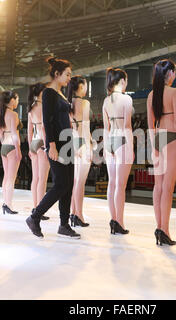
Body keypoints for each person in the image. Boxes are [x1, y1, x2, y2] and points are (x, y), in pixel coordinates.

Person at [26, 57, 80, 239]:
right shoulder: (48, 93)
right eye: (67, 74)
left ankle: (64, 225)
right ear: (57, 74)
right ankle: (35, 216)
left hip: (68, 142)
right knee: (61, 184)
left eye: (70, 75)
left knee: (69, 184)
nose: (69, 78)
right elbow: (47, 122)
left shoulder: (62, 95)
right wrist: (51, 146)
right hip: (57, 143)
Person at [146, 59, 176, 246]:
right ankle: (164, 230)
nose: (175, 75)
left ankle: (159, 227)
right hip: (171, 137)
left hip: (158, 138)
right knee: (168, 188)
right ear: (169, 73)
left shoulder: (151, 95)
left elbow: (150, 124)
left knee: (158, 186)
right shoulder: (175, 92)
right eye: (174, 71)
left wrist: (153, 144)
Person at [102, 67, 134, 235]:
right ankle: (119, 222)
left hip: (110, 141)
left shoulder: (106, 101)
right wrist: (131, 148)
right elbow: (127, 126)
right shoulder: (126, 99)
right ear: (122, 81)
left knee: (112, 183)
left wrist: (107, 148)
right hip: (122, 138)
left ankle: (113, 219)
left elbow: (106, 128)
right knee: (120, 186)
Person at [68, 76, 92, 228]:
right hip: (82, 144)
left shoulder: (68, 103)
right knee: (80, 183)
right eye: (85, 86)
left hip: (72, 144)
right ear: (81, 87)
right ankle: (79, 215)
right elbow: (86, 127)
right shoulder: (85, 103)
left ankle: (73, 212)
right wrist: (89, 146)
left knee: (75, 182)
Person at [27, 83, 50, 221]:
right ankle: (40, 210)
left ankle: (35, 206)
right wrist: (47, 145)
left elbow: (30, 130)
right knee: (42, 178)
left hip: (34, 142)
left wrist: (30, 147)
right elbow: (43, 128)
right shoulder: (42, 107)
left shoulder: (31, 107)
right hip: (42, 141)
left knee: (35, 178)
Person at [0, 91, 22, 214]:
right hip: (12, 147)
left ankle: (5, 202)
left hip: (4, 146)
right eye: (17, 99)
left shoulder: (3, 114)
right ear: (12, 100)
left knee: (6, 177)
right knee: (11, 178)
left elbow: (0, 132)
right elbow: (14, 133)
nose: (18, 102)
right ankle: (8, 204)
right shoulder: (13, 114)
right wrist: (18, 149)